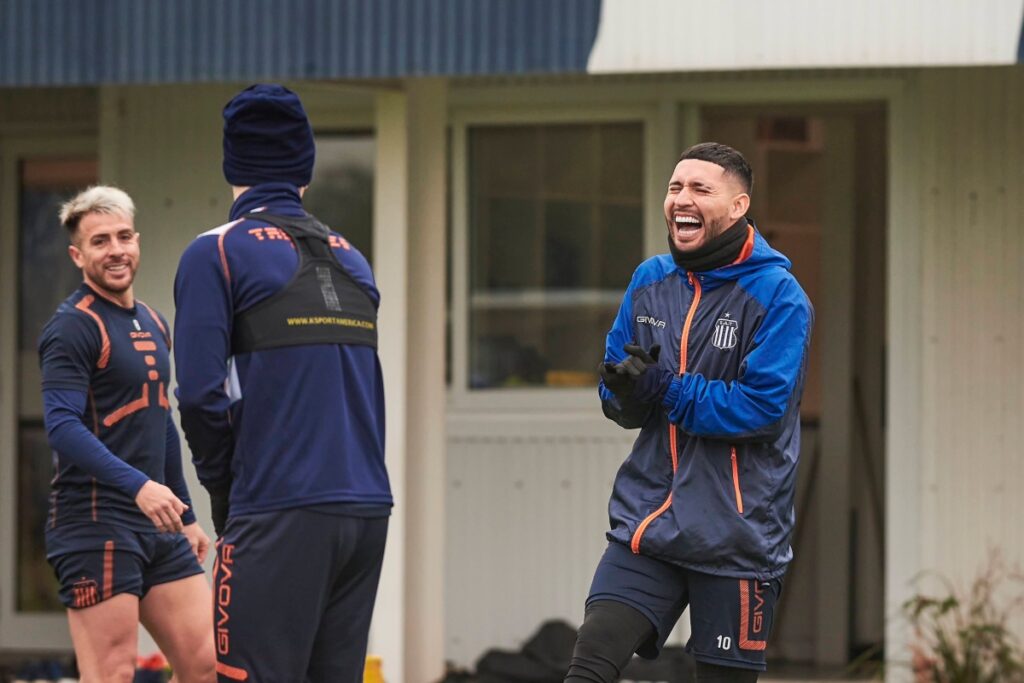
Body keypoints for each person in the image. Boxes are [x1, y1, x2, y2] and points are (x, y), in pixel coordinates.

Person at [566, 143, 814, 683]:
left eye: (701, 189)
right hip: (649, 523)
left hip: (737, 539)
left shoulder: (779, 297)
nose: (683, 199)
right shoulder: (649, 281)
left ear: (738, 205)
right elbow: (619, 392)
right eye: (676, 187)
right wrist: (626, 394)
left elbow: (761, 409)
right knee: (589, 665)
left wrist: (667, 390)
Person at [173, 84, 392, 683]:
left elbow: (197, 394)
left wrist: (223, 490)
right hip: (367, 508)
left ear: (232, 165)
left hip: (277, 508)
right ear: (305, 167)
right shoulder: (352, 257)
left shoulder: (215, 253)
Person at [38, 186, 215, 683]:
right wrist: (139, 487)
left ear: (136, 241)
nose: (115, 250)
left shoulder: (154, 321)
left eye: (122, 237)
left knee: (209, 667)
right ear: (78, 255)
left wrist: (184, 511)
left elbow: (159, 420)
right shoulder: (72, 327)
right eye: (99, 242)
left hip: (157, 527)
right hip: (93, 525)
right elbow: (62, 426)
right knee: (113, 675)